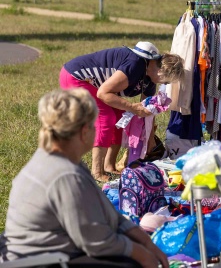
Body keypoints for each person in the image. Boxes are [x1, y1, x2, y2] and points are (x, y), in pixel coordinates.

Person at [3, 89, 169, 268]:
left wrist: (145, 241)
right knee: (130, 263)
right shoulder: (64, 175)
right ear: (84, 132)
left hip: (55, 251)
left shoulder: (65, 160)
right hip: (39, 260)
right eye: (94, 125)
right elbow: (96, 241)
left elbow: (106, 213)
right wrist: (142, 254)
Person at [60, 42, 184, 182]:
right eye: (166, 81)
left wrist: (149, 140)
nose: (165, 85)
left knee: (120, 118)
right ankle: (96, 172)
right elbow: (103, 93)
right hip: (76, 77)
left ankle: (109, 166)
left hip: (94, 84)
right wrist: (131, 107)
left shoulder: (149, 81)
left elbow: (148, 113)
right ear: (162, 71)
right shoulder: (136, 64)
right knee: (105, 119)